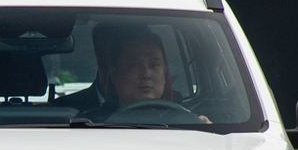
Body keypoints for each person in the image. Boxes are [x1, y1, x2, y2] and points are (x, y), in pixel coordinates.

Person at [59, 21, 204, 123]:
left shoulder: (189, 123)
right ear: (114, 74)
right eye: (134, 65)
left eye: (154, 65)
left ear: (165, 73)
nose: (146, 74)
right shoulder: (88, 124)